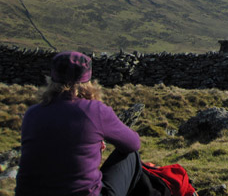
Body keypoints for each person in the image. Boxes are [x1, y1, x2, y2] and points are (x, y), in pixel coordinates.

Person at [16, 50, 142, 196]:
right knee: (131, 155)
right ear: (87, 82)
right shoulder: (95, 111)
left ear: (52, 79)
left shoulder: (32, 113)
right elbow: (133, 143)